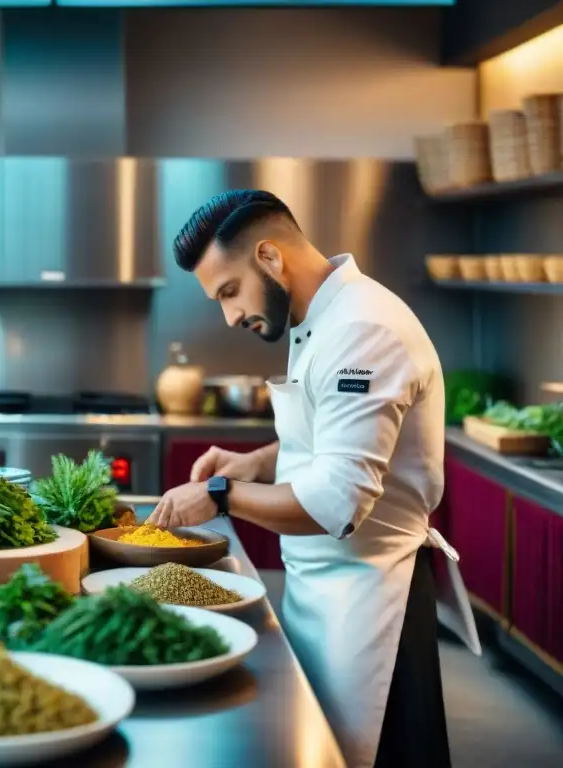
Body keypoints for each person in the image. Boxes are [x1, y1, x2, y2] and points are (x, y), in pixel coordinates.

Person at [147, 191, 455, 768]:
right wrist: (257, 463)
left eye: (229, 292)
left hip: (371, 605)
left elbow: (337, 500)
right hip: (323, 592)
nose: (230, 316)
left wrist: (219, 495)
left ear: (268, 256)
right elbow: (332, 442)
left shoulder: (365, 330)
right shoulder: (319, 317)